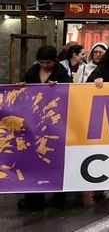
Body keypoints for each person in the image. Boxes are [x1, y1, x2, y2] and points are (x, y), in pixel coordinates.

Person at [17, 46, 72, 210]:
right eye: (41, 62)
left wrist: (60, 86)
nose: (45, 65)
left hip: (56, 122)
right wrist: (21, 87)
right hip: (35, 122)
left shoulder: (62, 73)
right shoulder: (32, 72)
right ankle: (34, 197)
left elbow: (71, 91)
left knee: (55, 158)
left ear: (54, 61)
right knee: (34, 158)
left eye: (48, 62)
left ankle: (58, 195)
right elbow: (24, 91)